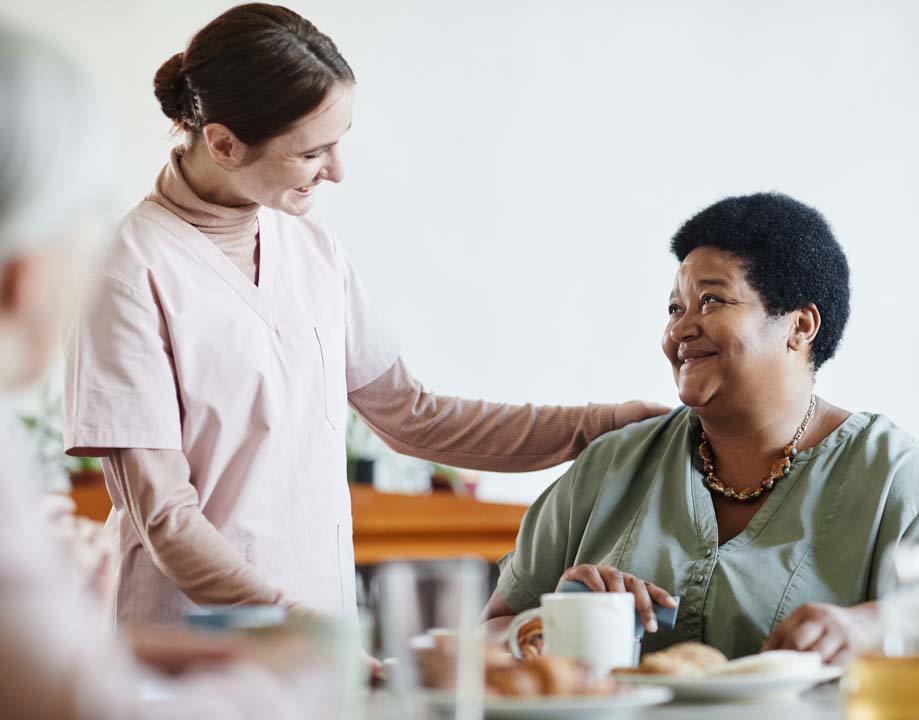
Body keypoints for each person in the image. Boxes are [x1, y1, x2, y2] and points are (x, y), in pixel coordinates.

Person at [63, 3, 666, 628]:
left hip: (319, 629)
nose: (337, 172)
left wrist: (601, 425)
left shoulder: (313, 252)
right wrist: (302, 629)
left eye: (339, 143)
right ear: (223, 142)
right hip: (190, 638)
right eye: (311, 153)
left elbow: (412, 417)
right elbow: (165, 515)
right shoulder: (126, 272)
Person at [481, 192, 919, 664]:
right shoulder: (610, 466)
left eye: (711, 301)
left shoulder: (896, 475)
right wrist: (554, 620)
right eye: (675, 308)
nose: (679, 329)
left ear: (800, 325)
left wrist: (865, 627)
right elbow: (486, 636)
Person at [0, 26, 341, 718]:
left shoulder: (308, 249)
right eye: (83, 221)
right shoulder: (139, 262)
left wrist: (104, 647)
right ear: (22, 272)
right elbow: (81, 705)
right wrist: (297, 672)